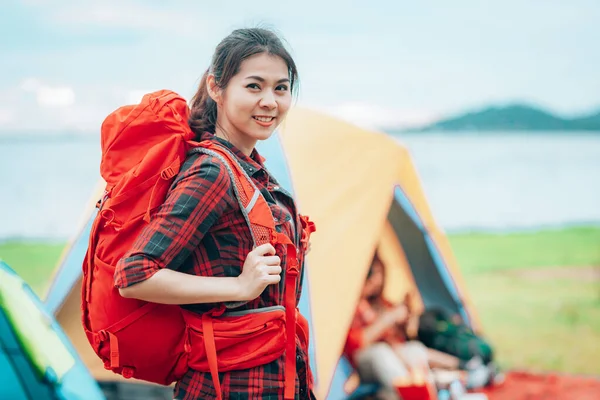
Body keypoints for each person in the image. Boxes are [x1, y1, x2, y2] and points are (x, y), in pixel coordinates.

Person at [113, 28, 315, 399]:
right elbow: (134, 275)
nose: (269, 101)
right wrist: (238, 286)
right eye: (254, 86)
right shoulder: (213, 172)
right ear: (216, 88)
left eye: (280, 88)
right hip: (229, 386)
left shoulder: (250, 170)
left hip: (275, 378)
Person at [344, 253, 492, 399]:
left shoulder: (380, 302)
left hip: (393, 354)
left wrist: (405, 322)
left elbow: (400, 338)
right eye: (374, 274)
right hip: (363, 362)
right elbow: (357, 343)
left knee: (415, 350)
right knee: (381, 353)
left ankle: (461, 372)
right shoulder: (350, 306)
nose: (378, 280)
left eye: (380, 274)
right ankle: (412, 393)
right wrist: (388, 318)